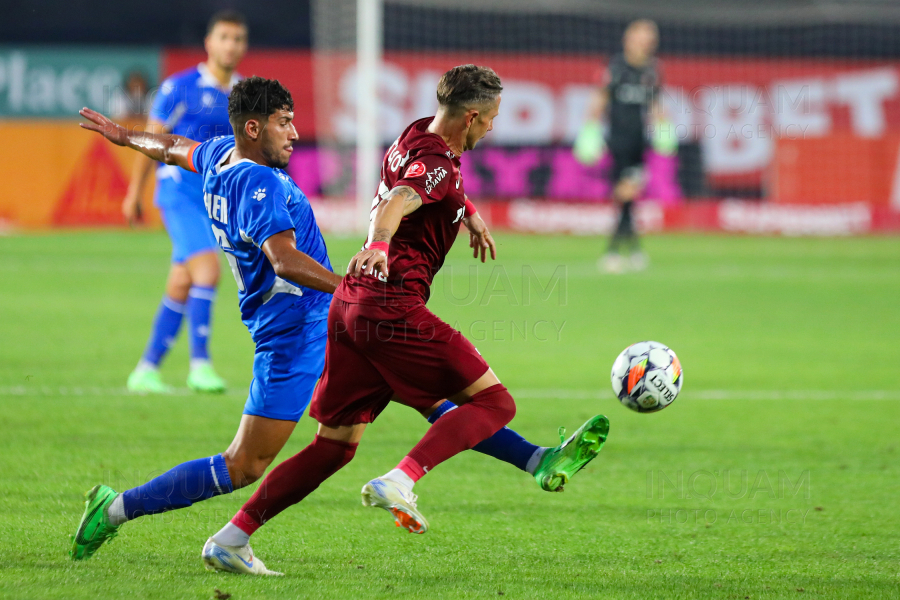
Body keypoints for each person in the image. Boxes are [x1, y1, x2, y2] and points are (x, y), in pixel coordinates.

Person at [70, 76, 607, 568]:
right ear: (254, 128)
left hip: (319, 321)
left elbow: (172, 148)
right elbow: (284, 260)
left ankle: (535, 459)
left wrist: (124, 135)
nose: (296, 133)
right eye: (284, 122)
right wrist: (354, 285)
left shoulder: (219, 157)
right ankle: (118, 510)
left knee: (379, 420)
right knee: (244, 464)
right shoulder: (261, 185)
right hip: (295, 334)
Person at [123, 10, 248, 393]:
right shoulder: (179, 87)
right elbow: (152, 140)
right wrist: (134, 193)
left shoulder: (246, 94)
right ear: (209, 43)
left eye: (238, 39)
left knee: (181, 282)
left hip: (213, 200)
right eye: (224, 37)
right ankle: (200, 365)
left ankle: (146, 370)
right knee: (207, 271)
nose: (231, 45)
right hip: (177, 193)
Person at [584, 19, 663, 273]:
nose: (645, 43)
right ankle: (615, 251)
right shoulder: (616, 68)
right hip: (618, 140)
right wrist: (591, 129)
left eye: (649, 39)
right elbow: (599, 98)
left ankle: (631, 250)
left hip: (640, 140)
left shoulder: (652, 71)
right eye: (641, 38)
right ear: (629, 40)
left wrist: (665, 128)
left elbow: (655, 105)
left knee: (629, 196)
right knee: (625, 193)